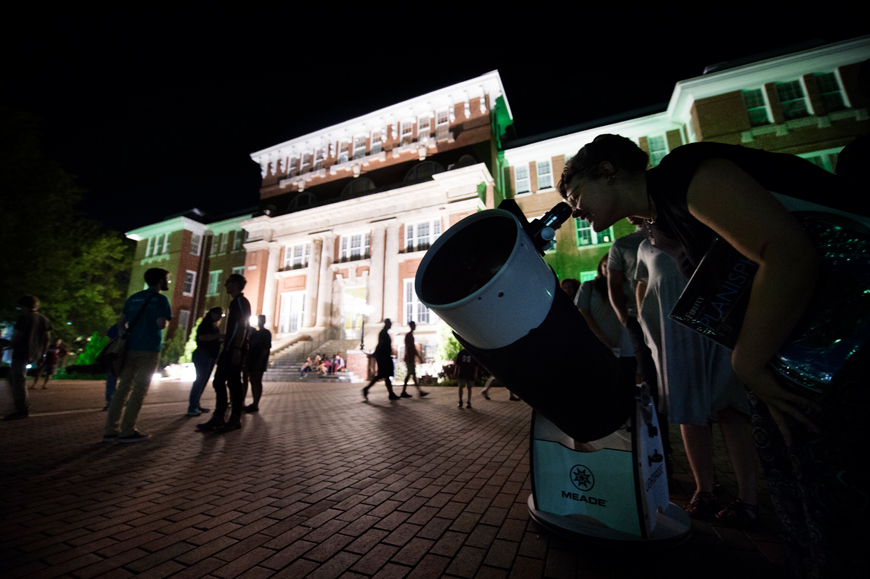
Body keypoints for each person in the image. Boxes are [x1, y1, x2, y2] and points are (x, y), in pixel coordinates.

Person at [559, 134, 868, 578]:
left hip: (843, 335)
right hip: (804, 348)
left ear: (608, 171)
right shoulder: (659, 226)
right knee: (798, 489)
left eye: (575, 195)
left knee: (841, 503)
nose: (574, 210)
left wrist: (747, 362)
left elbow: (788, 252)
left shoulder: (686, 174)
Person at [635, 238, 758, 522]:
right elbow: (643, 282)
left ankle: (748, 500)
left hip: (718, 320)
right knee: (687, 406)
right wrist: (646, 319)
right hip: (674, 333)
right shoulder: (645, 246)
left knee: (731, 406)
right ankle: (704, 489)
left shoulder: (695, 227)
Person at [102, 268, 172, 442]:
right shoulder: (161, 300)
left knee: (123, 388)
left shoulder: (133, 298)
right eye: (167, 279)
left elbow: (120, 324)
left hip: (130, 348)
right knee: (139, 390)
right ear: (160, 281)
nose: (168, 282)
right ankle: (127, 430)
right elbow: (161, 324)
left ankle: (110, 429)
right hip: (149, 348)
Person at [196, 274, 251, 433]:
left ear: (235, 284)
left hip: (235, 348)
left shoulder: (241, 302)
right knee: (219, 381)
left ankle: (235, 418)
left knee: (233, 383)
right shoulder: (235, 302)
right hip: (230, 347)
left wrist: (236, 349)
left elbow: (243, 325)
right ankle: (219, 416)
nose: (225, 285)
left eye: (227, 282)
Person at [5, 296, 51, 420]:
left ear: (25, 306)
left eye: (21, 307)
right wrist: (43, 354)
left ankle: (22, 409)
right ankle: (21, 404)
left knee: (18, 380)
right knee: (14, 378)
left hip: (21, 352)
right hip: (35, 353)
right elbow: (47, 339)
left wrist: (8, 346)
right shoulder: (44, 319)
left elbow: (17, 335)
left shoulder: (24, 318)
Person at [187, 307, 222, 417]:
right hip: (203, 354)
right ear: (212, 313)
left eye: (221, 315)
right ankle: (192, 407)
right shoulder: (205, 324)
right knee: (200, 380)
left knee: (203, 380)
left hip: (210, 355)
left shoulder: (213, 325)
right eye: (218, 314)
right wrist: (218, 336)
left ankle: (196, 404)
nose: (220, 316)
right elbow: (202, 337)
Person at [362, 319, 398, 401]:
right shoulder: (383, 333)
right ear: (386, 324)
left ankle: (391, 394)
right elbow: (380, 344)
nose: (391, 325)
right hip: (383, 357)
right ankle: (367, 389)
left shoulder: (385, 333)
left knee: (385, 375)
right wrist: (376, 353)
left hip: (384, 356)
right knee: (382, 375)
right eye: (390, 324)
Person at [245, 315, 271, 412]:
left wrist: (260, 359)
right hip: (252, 359)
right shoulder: (256, 333)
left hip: (258, 360)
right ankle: (253, 403)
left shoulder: (266, 333)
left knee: (256, 381)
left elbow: (265, 348)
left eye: (262, 320)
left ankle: (255, 403)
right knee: (252, 381)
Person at [400, 321, 428, 398]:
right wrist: (413, 357)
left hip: (410, 358)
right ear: (411, 326)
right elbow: (410, 348)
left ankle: (418, 391)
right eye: (414, 325)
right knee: (410, 374)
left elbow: (412, 348)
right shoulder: (409, 336)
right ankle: (405, 392)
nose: (415, 326)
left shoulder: (410, 336)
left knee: (412, 375)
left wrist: (418, 357)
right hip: (409, 358)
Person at [103, 324, 119, 411]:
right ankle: (117, 400)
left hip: (114, 354)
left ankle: (110, 401)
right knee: (127, 379)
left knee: (111, 379)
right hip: (127, 355)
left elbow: (109, 342)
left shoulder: (114, 327)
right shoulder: (136, 326)